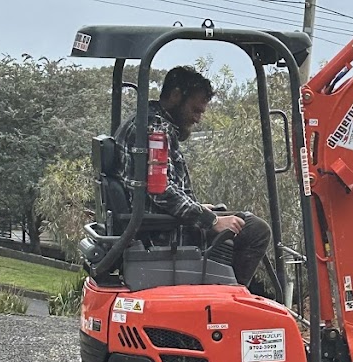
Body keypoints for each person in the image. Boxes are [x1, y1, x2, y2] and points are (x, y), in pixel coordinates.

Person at [115, 65, 271, 288]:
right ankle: (226, 301)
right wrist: (212, 220)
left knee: (239, 220)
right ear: (176, 95)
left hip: (155, 222)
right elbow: (160, 190)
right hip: (161, 233)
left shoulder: (145, 120)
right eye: (195, 110)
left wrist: (198, 207)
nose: (198, 118)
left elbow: (158, 184)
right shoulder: (157, 130)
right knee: (255, 230)